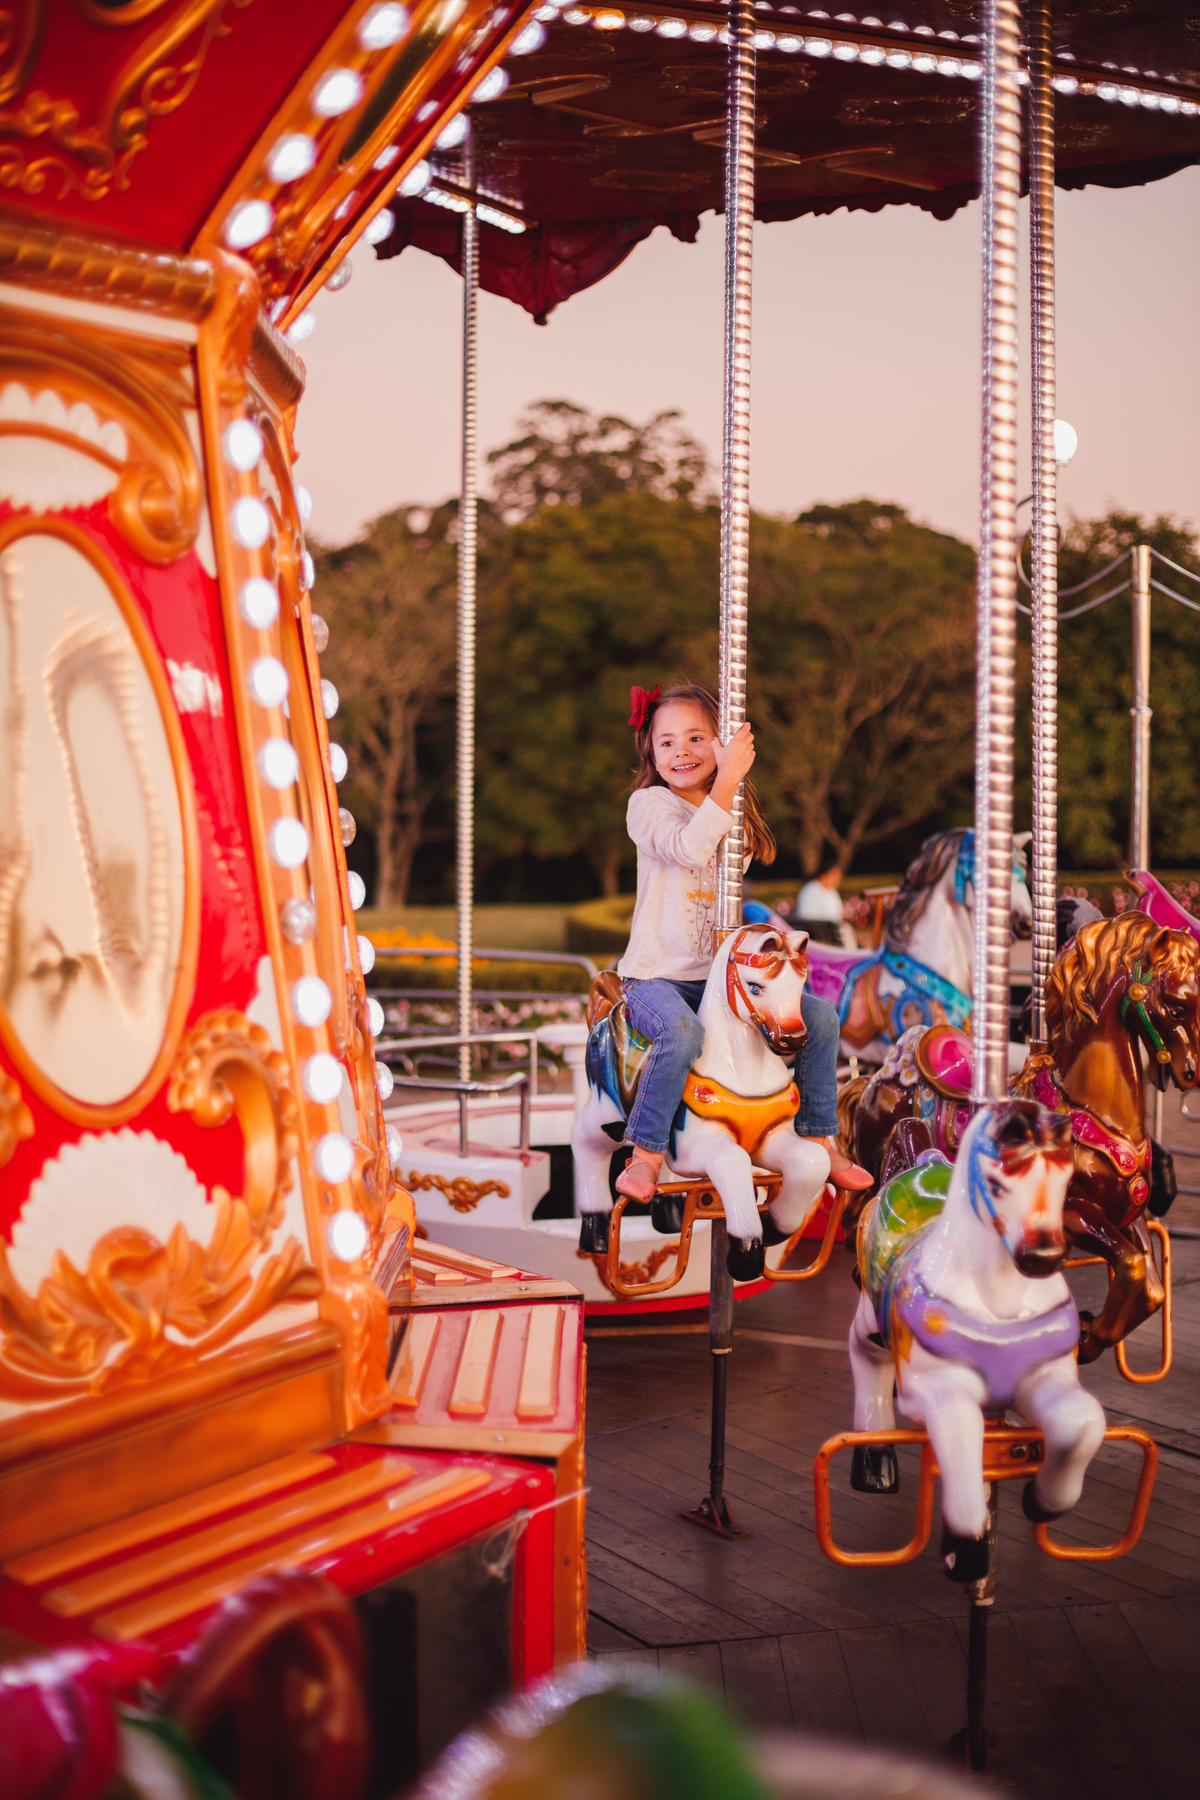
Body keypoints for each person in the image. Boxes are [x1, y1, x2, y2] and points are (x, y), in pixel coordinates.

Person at [614, 681, 871, 1201]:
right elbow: (688, 850)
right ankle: (645, 1153)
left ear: (723, 742)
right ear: (650, 751)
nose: (680, 751)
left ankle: (820, 1135)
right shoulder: (648, 806)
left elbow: (735, 854)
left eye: (696, 738)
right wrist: (726, 779)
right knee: (682, 1033)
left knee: (819, 1016)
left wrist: (728, 787)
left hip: (716, 980)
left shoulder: (730, 808)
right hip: (656, 976)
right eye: (666, 742)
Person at [796, 861, 857, 949]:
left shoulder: (831, 891)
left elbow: (838, 910)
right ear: (824, 876)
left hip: (832, 929)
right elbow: (807, 914)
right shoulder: (811, 890)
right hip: (820, 930)